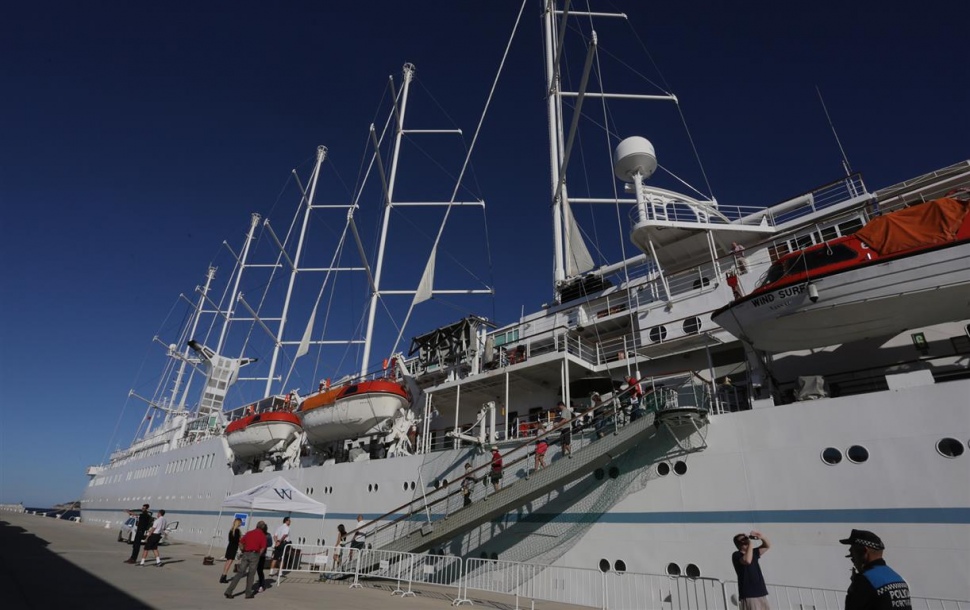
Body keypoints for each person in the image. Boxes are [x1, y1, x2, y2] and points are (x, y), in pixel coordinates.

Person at [840, 529, 911, 610]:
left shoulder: (864, 581)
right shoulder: (899, 580)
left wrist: (854, 587)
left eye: (852, 549)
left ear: (864, 550)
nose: (850, 554)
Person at [224, 521, 268, 599]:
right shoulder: (263, 535)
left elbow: (241, 542)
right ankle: (248, 593)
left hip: (246, 553)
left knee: (239, 573)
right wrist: (258, 555)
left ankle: (229, 591)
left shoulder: (249, 533)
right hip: (255, 554)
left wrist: (243, 550)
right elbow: (263, 547)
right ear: (263, 527)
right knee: (251, 574)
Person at [732, 530, 771, 609]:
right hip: (749, 595)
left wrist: (761, 536)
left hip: (761, 592)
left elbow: (767, 546)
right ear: (738, 544)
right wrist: (750, 543)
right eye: (743, 540)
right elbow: (747, 560)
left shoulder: (754, 553)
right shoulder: (736, 555)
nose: (745, 540)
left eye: (745, 538)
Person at [251, 521, 272, 595]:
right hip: (257, 554)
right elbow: (270, 544)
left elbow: (269, 543)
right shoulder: (266, 535)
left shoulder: (265, 535)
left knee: (256, 570)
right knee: (257, 570)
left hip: (258, 554)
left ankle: (260, 585)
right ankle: (259, 585)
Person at [219, 518, 243, 583]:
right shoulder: (237, 531)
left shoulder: (231, 530)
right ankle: (224, 576)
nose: (241, 524)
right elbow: (237, 541)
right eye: (240, 522)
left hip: (230, 546)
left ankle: (223, 575)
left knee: (227, 561)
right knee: (230, 561)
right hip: (233, 547)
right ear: (238, 523)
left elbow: (231, 539)